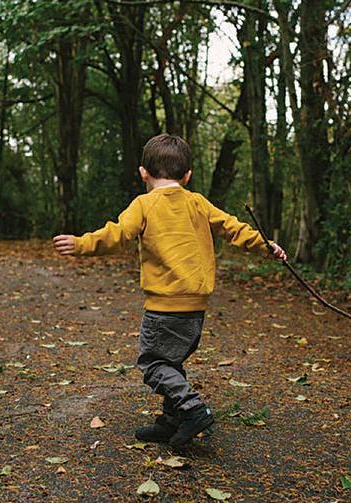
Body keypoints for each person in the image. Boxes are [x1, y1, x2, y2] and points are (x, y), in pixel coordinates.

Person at [53, 134, 287, 447]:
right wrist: (265, 245)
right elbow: (233, 227)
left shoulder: (144, 205)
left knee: (153, 364)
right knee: (172, 363)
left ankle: (192, 410)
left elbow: (118, 234)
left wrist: (81, 244)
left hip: (164, 307)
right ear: (187, 175)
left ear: (143, 172)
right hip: (195, 308)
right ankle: (172, 420)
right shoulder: (198, 202)